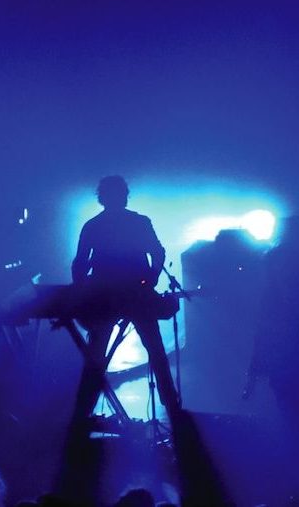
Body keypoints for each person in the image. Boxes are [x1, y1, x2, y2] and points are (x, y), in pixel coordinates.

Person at [70, 175, 180, 422]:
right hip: (135, 294)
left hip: (104, 297)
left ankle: (82, 412)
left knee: (96, 355)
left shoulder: (93, 225)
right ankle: (172, 407)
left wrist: (80, 295)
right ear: (124, 195)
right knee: (155, 351)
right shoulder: (139, 222)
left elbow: (79, 264)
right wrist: (151, 278)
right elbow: (158, 252)